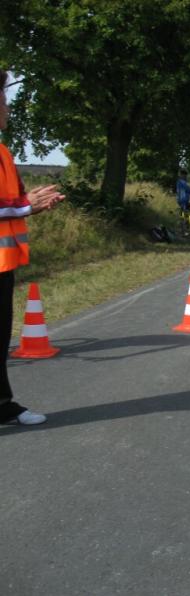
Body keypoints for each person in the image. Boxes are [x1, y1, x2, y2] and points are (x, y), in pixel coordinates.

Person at [0, 69, 64, 426]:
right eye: (3, 101)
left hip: (4, 261)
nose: (8, 108)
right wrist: (25, 206)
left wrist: (34, 202)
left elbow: (13, 201)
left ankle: (2, 404)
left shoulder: (3, 152)